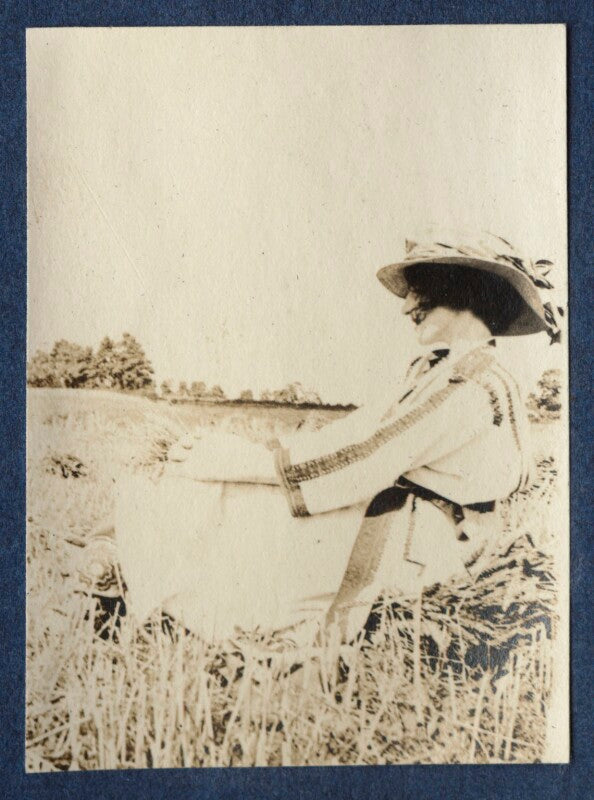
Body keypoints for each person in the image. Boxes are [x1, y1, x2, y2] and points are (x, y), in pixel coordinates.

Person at [81, 232, 561, 648]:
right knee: (205, 496)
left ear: (467, 291)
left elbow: (365, 460)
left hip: (421, 552)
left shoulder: (473, 382)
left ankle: (131, 587)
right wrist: (247, 457)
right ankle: (131, 578)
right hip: (403, 530)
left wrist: (236, 462)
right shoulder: (438, 372)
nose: (407, 306)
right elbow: (353, 435)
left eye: (421, 293)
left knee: (223, 511)